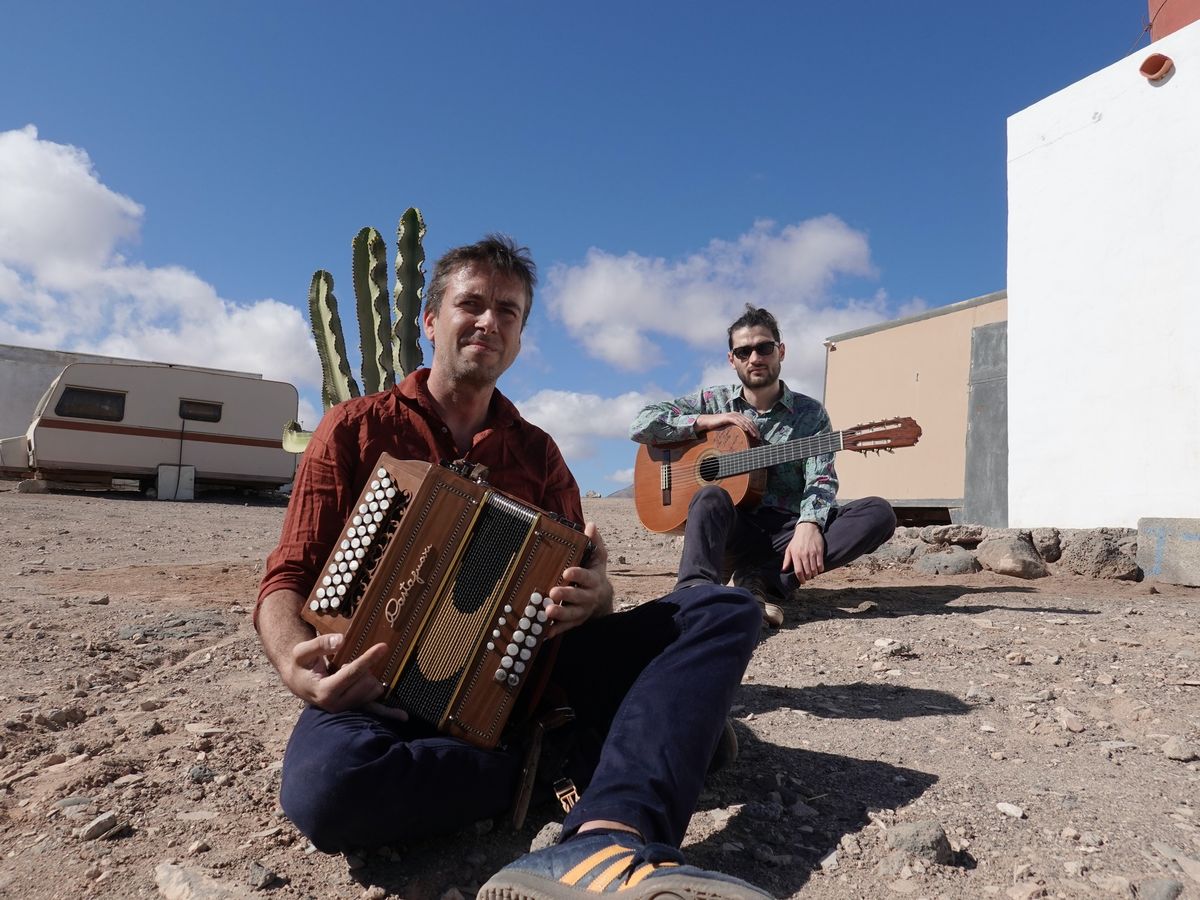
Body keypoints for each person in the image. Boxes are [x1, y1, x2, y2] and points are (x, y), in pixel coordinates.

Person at [256, 236, 771, 900]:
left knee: (723, 610)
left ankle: (610, 832)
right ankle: (582, 759)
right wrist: (296, 663)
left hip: (531, 679)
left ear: (521, 335)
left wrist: (597, 594)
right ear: (432, 321)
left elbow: (585, 583)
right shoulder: (354, 428)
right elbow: (288, 575)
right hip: (378, 693)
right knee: (328, 791)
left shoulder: (540, 454)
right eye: (471, 303)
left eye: (508, 311)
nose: (489, 322)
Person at [629, 304, 896, 629]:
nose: (755, 358)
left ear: (780, 351)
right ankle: (693, 595)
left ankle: (760, 579)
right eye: (744, 351)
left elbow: (821, 480)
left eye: (764, 347)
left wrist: (808, 525)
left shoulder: (810, 414)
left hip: (786, 534)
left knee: (878, 513)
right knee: (710, 495)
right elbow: (641, 423)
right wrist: (705, 420)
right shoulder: (714, 400)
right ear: (733, 360)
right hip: (731, 532)